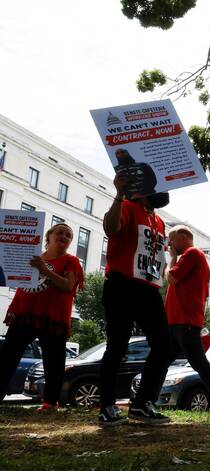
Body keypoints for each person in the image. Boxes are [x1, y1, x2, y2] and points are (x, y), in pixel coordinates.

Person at [98, 173, 172, 426]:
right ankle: (107, 406)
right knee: (117, 346)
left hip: (149, 290)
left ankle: (141, 404)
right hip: (121, 285)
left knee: (165, 345)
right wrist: (119, 193)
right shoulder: (129, 206)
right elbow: (111, 228)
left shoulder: (160, 221)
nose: (166, 192)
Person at [0, 223, 83, 411]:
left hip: (53, 318)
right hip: (25, 313)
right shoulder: (32, 256)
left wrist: (44, 269)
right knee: (8, 356)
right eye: (60, 232)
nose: (64, 236)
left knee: (53, 361)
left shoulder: (71, 261)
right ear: (49, 236)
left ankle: (50, 403)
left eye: (68, 235)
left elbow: (68, 286)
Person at [164, 225, 210, 410]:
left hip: (184, 321)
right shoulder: (198, 259)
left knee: (199, 363)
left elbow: (171, 278)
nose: (170, 243)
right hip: (181, 320)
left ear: (184, 237)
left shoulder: (192, 253)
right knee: (165, 361)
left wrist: (172, 258)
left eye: (172, 239)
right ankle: (146, 399)